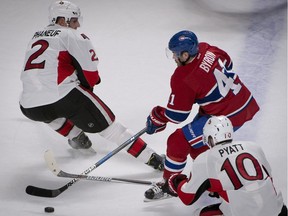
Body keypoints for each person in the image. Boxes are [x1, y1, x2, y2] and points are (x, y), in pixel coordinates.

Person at [19, 0, 164, 171]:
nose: (78, 24)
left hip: (28, 106)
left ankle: (77, 137)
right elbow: (90, 74)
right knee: (111, 128)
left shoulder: (36, 35)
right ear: (61, 20)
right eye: (74, 20)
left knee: (49, 111)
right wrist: (87, 105)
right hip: (65, 96)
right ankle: (153, 159)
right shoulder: (71, 36)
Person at [144, 30, 260, 199]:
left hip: (226, 115)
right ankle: (213, 180)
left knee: (178, 141)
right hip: (243, 100)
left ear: (185, 55)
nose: (174, 59)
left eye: (176, 55)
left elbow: (178, 115)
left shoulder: (183, 77)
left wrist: (158, 116)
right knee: (198, 145)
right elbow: (228, 61)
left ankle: (168, 185)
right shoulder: (207, 49)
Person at [161, 116, 287, 216]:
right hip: (279, 211)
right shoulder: (254, 147)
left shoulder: (206, 158)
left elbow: (187, 197)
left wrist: (176, 182)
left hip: (245, 213)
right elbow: (265, 180)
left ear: (210, 137)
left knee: (200, 213)